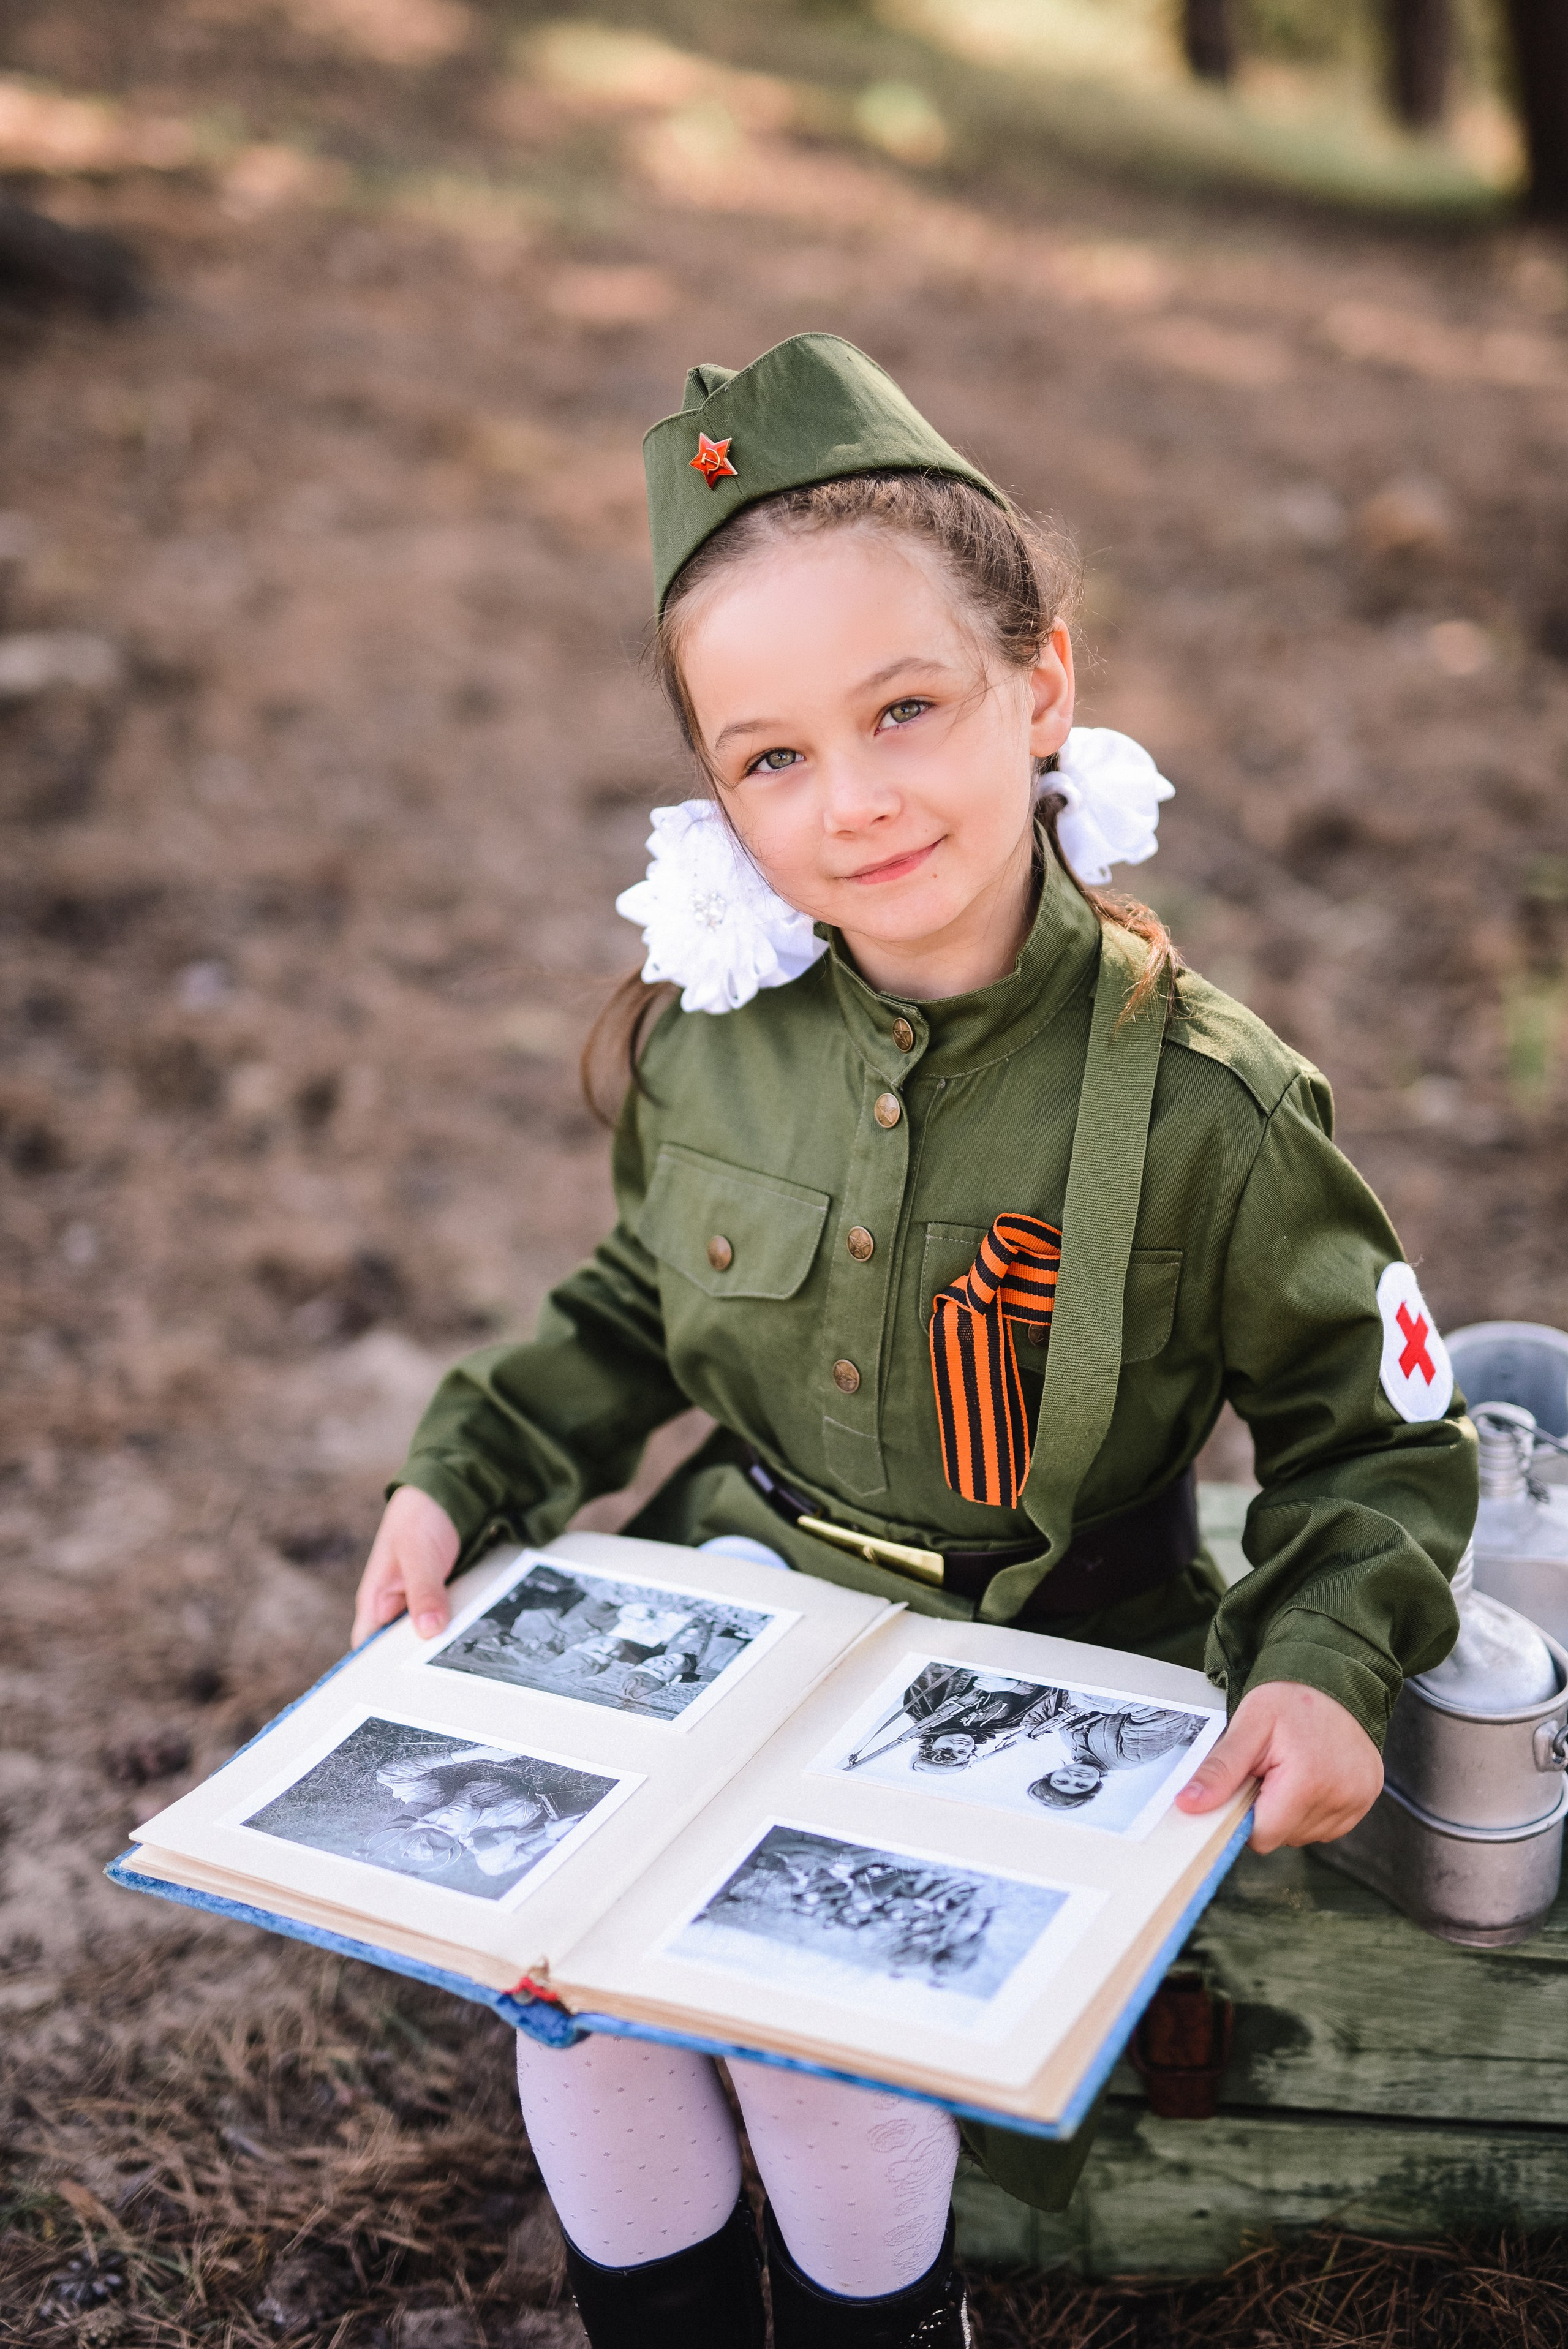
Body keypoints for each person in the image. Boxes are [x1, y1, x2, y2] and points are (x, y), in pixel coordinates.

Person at [350, 334, 1474, 2349]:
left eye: (906, 710)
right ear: (717, 787)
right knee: (573, 1996)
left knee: (800, 2027)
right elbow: (634, 1309)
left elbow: (1374, 1439)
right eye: (772, 756)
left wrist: (1323, 1663)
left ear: (1041, 683)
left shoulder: (1209, 1103)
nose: (851, 801)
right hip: (730, 1602)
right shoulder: (721, 1025)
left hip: (1031, 1665)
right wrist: (465, 1471)